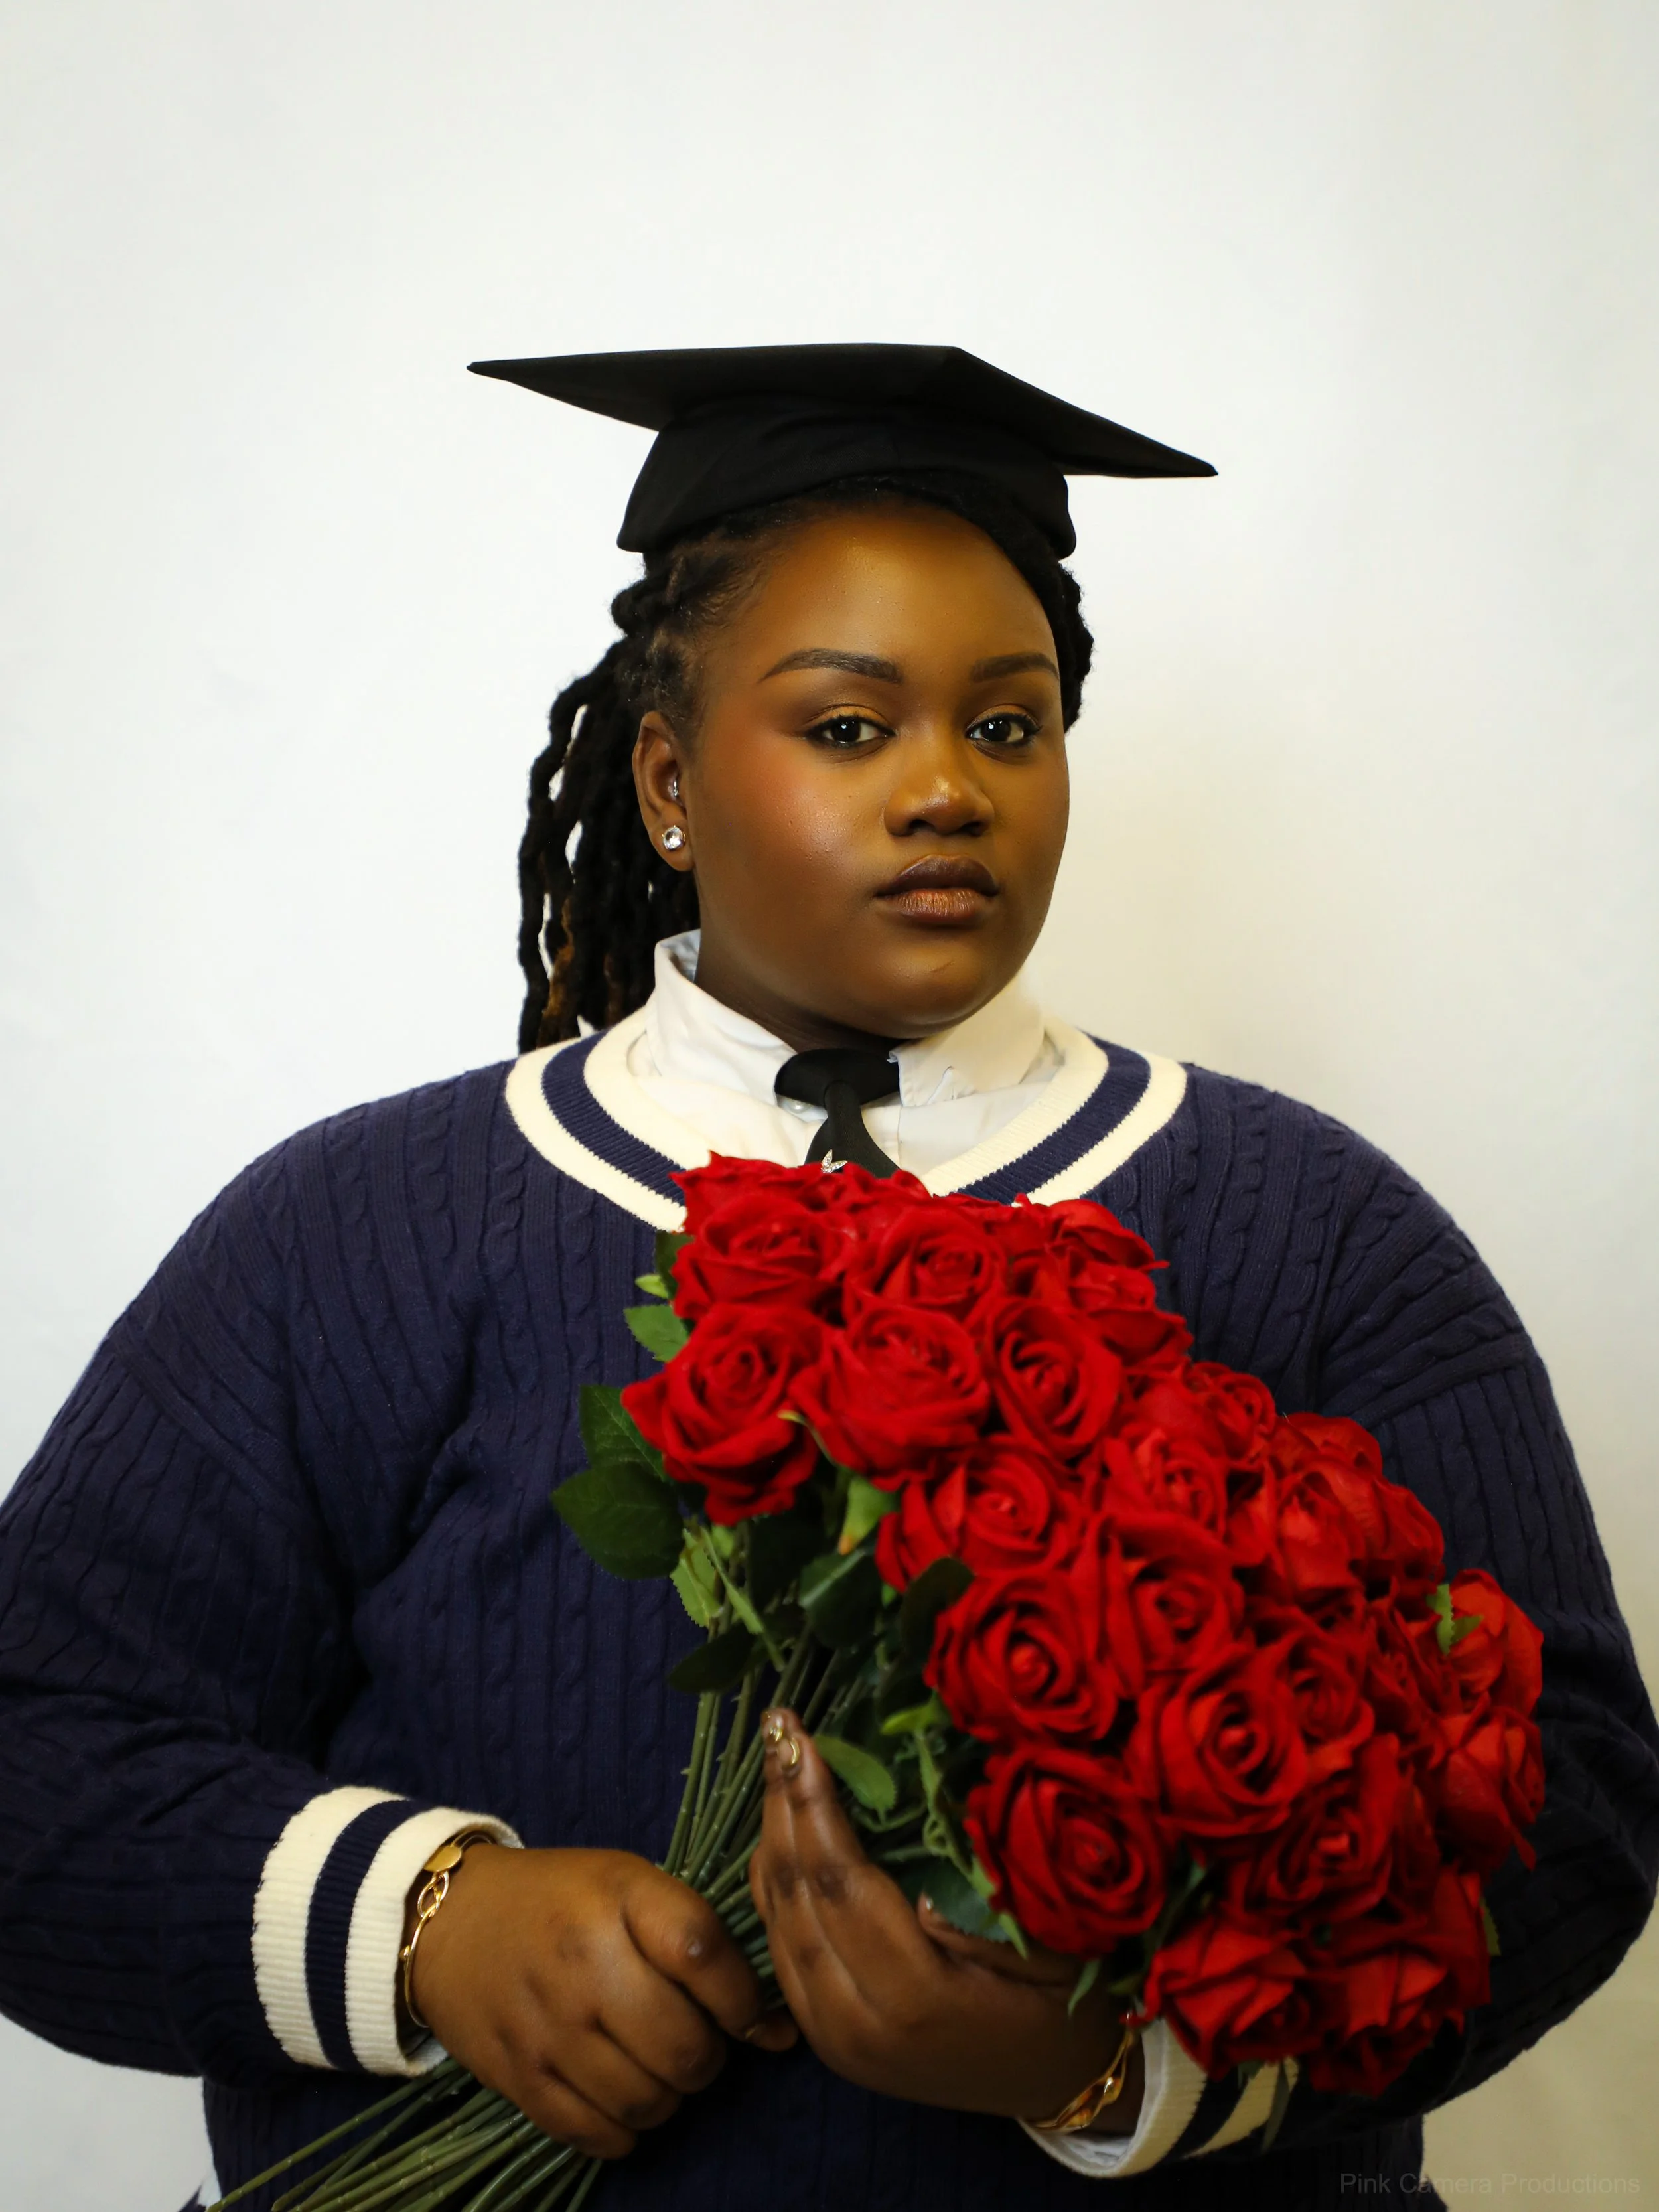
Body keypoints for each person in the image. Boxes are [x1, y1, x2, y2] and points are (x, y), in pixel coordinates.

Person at [0, 344, 1653, 2212]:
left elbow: (1572, 1809)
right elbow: (35, 1742)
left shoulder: (1314, 1232)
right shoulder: (353, 1233)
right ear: (667, 779)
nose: (945, 788)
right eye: (849, 727)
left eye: (1008, 726)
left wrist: (1116, 2058)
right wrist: (424, 1922)